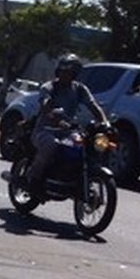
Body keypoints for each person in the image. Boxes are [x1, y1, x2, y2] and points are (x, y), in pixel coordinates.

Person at [26, 53, 111, 193]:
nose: (65, 75)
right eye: (63, 71)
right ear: (58, 71)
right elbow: (45, 104)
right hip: (44, 130)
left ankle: (71, 177)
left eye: (69, 72)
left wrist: (105, 122)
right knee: (51, 145)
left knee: (82, 146)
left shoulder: (79, 89)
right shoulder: (49, 87)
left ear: (75, 74)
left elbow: (93, 105)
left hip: (68, 131)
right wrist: (55, 118)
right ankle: (33, 178)